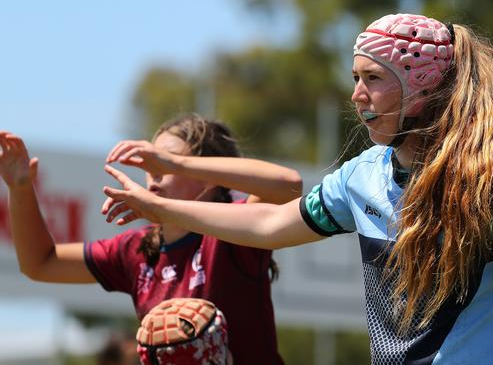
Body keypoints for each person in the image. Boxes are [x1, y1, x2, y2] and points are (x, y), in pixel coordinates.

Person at [99, 14, 493, 365]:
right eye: (355, 78)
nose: (356, 94)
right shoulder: (362, 177)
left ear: (421, 89)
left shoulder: (492, 185)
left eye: (373, 79)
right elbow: (270, 223)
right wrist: (160, 206)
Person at [0, 113, 300, 364]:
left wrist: (175, 164)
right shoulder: (136, 251)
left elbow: (289, 186)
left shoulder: (234, 233)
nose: (153, 172)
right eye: (149, 163)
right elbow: (40, 263)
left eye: (164, 162)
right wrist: (21, 187)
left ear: (211, 177)